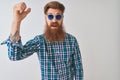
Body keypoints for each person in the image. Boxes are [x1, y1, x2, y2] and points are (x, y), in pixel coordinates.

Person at [1, 1, 83, 80]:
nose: (54, 20)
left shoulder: (72, 41)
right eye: (50, 16)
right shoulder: (39, 41)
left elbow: (78, 68)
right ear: (46, 18)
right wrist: (17, 21)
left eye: (58, 16)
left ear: (62, 18)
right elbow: (14, 56)